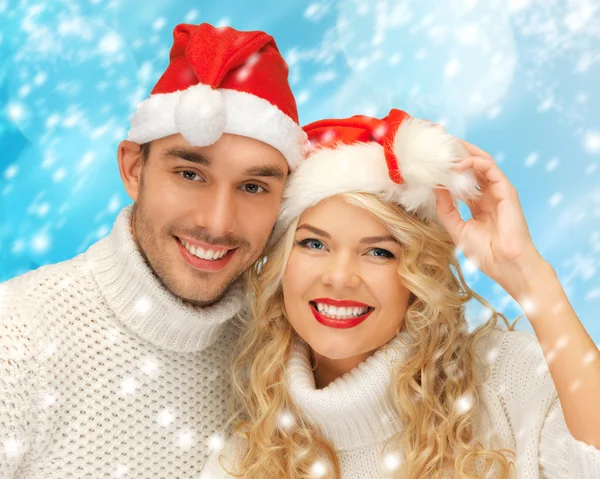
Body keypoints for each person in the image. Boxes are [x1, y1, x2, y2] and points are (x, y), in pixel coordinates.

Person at [201, 110, 600, 478]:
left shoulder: (504, 379)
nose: (340, 278)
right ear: (279, 262)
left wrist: (529, 274)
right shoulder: (244, 461)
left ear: (417, 272)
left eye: (379, 252)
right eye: (314, 244)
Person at [0, 22, 307, 477]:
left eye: (253, 186)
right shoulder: (17, 337)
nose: (217, 222)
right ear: (132, 169)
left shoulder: (282, 350)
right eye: (190, 174)